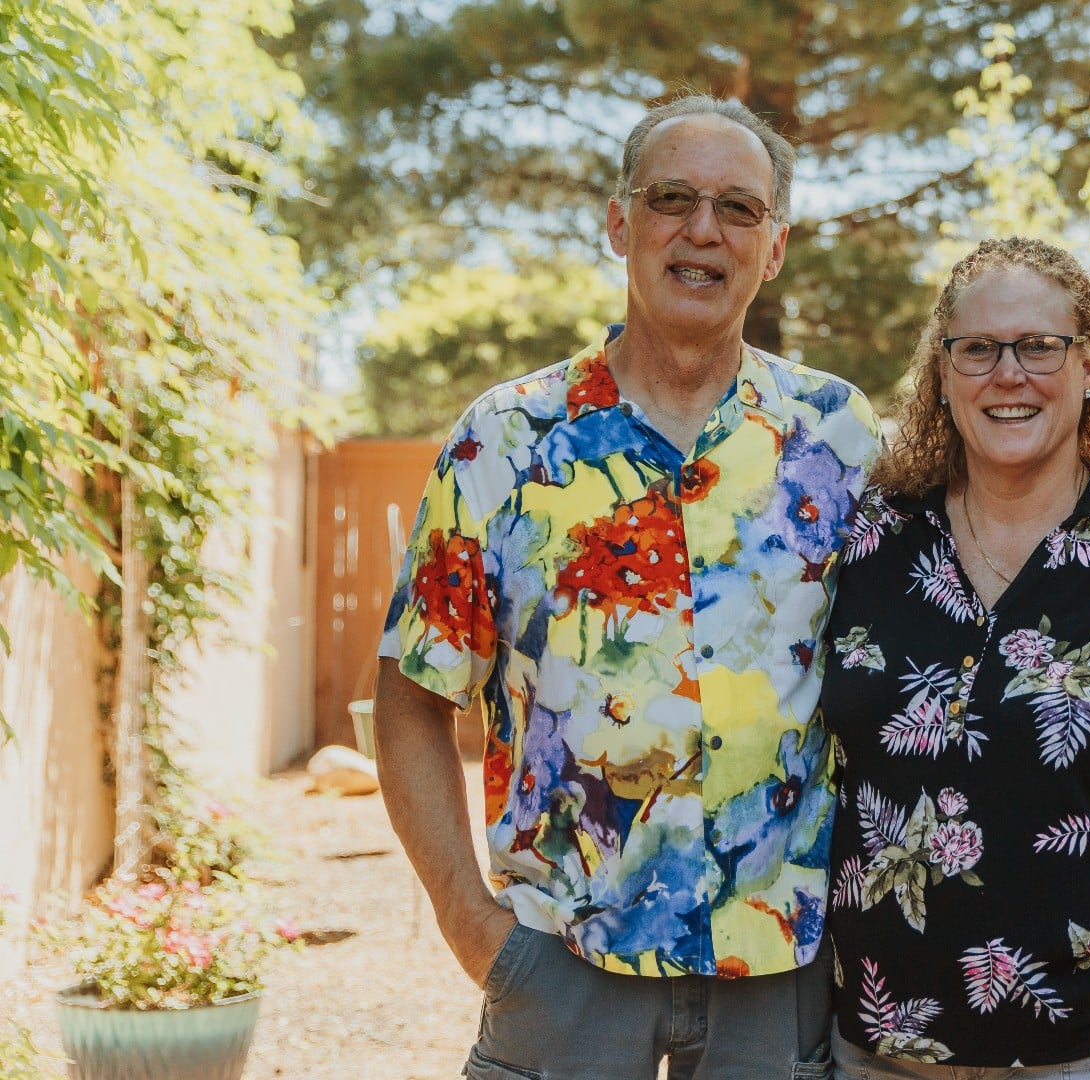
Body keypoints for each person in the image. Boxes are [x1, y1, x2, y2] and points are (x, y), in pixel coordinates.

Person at [374, 93, 881, 1079]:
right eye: (672, 199)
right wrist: (471, 922)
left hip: (775, 976)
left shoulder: (839, 436)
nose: (703, 230)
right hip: (562, 971)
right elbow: (410, 700)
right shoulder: (506, 440)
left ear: (774, 247)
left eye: (739, 208)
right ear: (619, 222)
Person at [819, 237, 1090, 1079]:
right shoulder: (865, 541)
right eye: (978, 349)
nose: (1010, 373)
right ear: (942, 371)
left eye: (1040, 346)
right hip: (882, 1045)